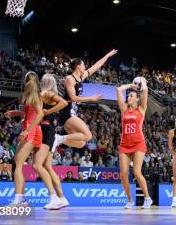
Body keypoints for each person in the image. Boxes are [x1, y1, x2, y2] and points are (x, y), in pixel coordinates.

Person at [5, 73, 61, 209]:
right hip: (34, 132)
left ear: (26, 81)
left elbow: (40, 114)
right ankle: (47, 196)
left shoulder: (35, 94)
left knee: (18, 164)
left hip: (32, 133)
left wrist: (27, 131)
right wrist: (17, 113)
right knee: (32, 165)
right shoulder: (33, 94)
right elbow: (33, 114)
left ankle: (19, 199)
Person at [52, 50, 117, 152]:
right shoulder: (70, 79)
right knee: (88, 135)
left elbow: (96, 66)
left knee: (81, 143)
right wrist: (91, 98)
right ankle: (58, 138)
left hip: (72, 112)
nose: (85, 66)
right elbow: (73, 98)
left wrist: (108, 55)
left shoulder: (81, 77)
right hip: (67, 112)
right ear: (78, 66)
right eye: (83, 64)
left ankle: (57, 139)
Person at [117, 78, 153, 209]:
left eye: (132, 95)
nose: (129, 97)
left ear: (137, 99)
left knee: (137, 172)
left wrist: (143, 83)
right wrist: (130, 85)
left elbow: (145, 92)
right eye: (129, 95)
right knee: (123, 175)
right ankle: (129, 200)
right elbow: (118, 90)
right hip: (124, 144)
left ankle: (147, 198)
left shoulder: (141, 109)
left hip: (138, 143)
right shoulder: (124, 109)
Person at [36, 73, 70, 209]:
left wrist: (48, 113)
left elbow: (64, 103)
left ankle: (54, 197)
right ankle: (62, 198)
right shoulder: (48, 94)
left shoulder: (46, 93)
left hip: (46, 131)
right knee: (47, 167)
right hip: (49, 131)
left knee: (37, 165)